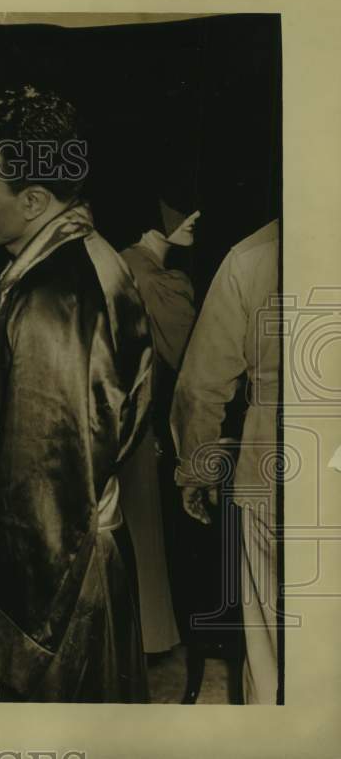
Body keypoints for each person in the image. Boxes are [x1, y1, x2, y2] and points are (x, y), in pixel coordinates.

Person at [0, 86, 153, 702]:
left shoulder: (51, 298)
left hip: (50, 606)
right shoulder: (80, 256)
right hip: (73, 580)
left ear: (34, 200)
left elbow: (45, 489)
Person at [170, 219, 281, 704]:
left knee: (267, 640)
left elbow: (201, 386)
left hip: (272, 461)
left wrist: (196, 469)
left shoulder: (251, 254)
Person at [117, 206, 200, 656]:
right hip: (145, 422)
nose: (194, 217)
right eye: (179, 210)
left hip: (120, 422)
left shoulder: (122, 262)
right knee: (144, 532)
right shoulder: (153, 279)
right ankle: (147, 642)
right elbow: (192, 357)